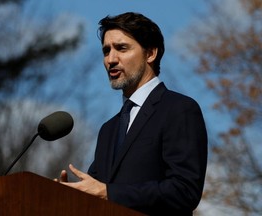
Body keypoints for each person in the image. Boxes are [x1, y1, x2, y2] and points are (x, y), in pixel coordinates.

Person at [56, 12, 208, 216]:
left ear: (150, 54)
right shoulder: (108, 129)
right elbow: (96, 193)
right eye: (106, 50)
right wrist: (69, 196)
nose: (111, 59)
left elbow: (184, 191)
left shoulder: (179, 109)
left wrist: (109, 193)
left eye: (121, 48)